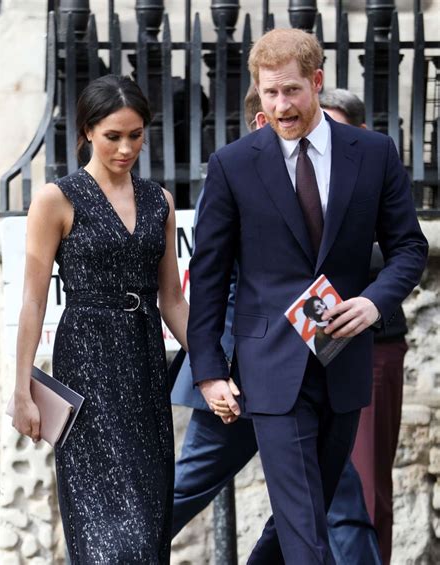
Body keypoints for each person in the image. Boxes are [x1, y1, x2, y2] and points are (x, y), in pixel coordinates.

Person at [187, 28, 428, 565]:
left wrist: (373, 302)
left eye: (291, 91)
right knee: (305, 534)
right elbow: (208, 274)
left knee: (305, 514)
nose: (280, 105)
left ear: (316, 83)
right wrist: (209, 369)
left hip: (344, 361)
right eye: (269, 93)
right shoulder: (234, 163)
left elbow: (409, 246)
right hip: (270, 367)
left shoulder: (373, 152)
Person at [172, 85, 381, 565]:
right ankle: (115, 552)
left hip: (317, 371)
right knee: (188, 488)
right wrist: (217, 370)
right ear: (262, 123)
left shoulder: (335, 175)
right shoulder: (233, 174)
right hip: (241, 378)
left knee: (332, 505)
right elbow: (212, 282)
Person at [12, 74, 188, 564]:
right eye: (114, 136)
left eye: (136, 136)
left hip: (144, 362)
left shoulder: (160, 201)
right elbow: (32, 300)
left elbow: (172, 299)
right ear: (88, 130)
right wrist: (22, 387)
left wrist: (212, 364)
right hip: (86, 364)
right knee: (106, 534)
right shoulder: (56, 199)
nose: (126, 148)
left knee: (149, 522)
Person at [321, 88, 409, 565]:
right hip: (310, 352)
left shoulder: (378, 169)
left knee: (368, 483)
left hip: (373, 346)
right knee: (322, 490)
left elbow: (404, 249)